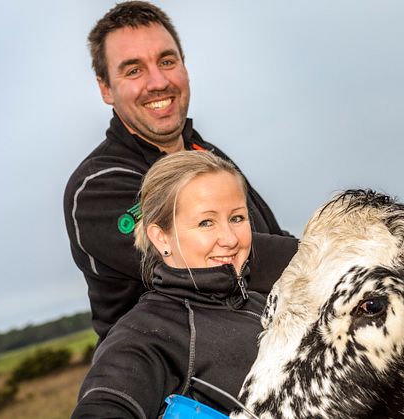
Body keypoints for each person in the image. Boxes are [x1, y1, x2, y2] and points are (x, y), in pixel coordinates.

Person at [63, 1, 297, 341]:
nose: (158, 82)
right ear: (105, 88)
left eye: (167, 61)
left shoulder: (209, 157)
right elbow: (205, 262)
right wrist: (327, 254)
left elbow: (274, 239)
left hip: (266, 352)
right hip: (172, 380)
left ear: (184, 66)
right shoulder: (98, 187)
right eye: (133, 70)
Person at [72, 151, 267, 418]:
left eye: (237, 218)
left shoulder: (265, 304)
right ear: (161, 238)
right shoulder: (147, 333)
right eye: (206, 222)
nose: (230, 238)